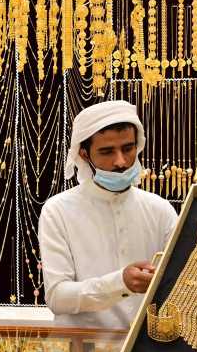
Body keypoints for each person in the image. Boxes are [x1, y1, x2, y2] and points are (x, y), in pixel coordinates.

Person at [39, 100, 179, 329]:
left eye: (128, 148)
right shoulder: (58, 210)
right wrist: (120, 283)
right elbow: (57, 297)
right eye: (107, 152)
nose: (121, 162)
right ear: (84, 155)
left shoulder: (160, 210)